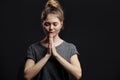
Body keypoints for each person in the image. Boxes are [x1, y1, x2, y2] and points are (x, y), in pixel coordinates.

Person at [24, 0, 82, 80]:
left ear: (61, 24)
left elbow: (78, 75)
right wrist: (47, 56)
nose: (51, 28)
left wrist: (56, 55)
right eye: (47, 24)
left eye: (55, 24)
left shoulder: (70, 48)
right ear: (42, 24)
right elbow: (27, 76)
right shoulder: (33, 48)